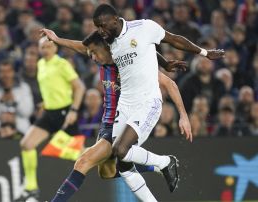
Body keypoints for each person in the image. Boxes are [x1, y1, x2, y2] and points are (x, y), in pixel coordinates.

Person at [91, 4, 224, 201]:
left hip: (148, 102)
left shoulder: (144, 27)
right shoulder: (110, 41)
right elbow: (141, 50)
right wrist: (165, 63)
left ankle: (165, 162)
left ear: (114, 19)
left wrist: (204, 53)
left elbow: (174, 39)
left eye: (102, 26)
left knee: (121, 150)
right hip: (125, 104)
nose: (100, 31)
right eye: (97, 27)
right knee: (121, 161)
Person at [41, 29, 190, 202]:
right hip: (107, 121)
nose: (92, 58)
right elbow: (81, 47)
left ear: (106, 48)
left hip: (122, 122)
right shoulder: (99, 56)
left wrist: (183, 115)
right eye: (90, 54)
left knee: (83, 161)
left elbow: (169, 83)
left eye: (94, 53)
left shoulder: (129, 65)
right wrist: (57, 39)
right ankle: (158, 166)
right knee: (107, 172)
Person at [18, 37, 86, 201]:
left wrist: (74, 110)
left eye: (49, 46)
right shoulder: (41, 64)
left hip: (65, 114)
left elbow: (79, 87)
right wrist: (46, 102)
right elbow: (52, 87)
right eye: (43, 47)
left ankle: (112, 163)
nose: (46, 49)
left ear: (55, 48)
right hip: (49, 113)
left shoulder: (62, 64)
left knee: (81, 156)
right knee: (26, 144)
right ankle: (31, 188)